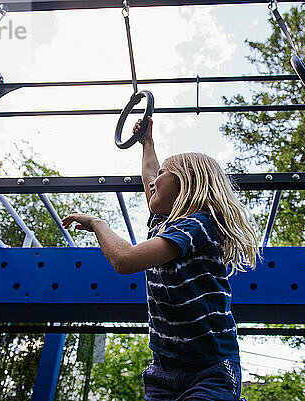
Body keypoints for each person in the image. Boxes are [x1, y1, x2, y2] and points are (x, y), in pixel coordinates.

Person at [62, 117, 258, 401]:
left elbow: (125, 260)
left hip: (210, 368)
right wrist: (147, 143)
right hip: (163, 370)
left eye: (165, 174)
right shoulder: (163, 224)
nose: (153, 182)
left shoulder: (198, 225)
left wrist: (97, 223)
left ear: (187, 183)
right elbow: (150, 175)